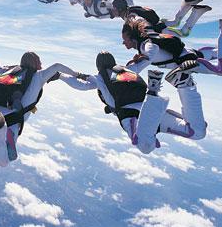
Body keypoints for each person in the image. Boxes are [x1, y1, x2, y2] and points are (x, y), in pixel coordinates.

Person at [59, 51, 208, 153]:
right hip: (148, 110)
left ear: (98, 66)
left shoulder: (99, 78)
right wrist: (142, 55)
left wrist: (60, 76)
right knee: (197, 132)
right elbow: (148, 59)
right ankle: (184, 85)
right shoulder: (128, 69)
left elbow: (80, 85)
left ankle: (153, 95)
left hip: (131, 115)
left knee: (145, 146)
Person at [0, 51, 85, 166]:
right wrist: (78, 74)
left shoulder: (10, 71)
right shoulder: (40, 75)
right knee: (4, 161)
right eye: (39, 61)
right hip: (12, 120)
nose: (41, 64)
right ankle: (0, 133)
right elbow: (57, 66)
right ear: (36, 63)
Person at [121, 15, 222, 76]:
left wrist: (129, 72)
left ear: (132, 38)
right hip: (190, 53)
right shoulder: (148, 40)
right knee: (220, 53)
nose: (123, 43)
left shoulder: (145, 45)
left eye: (125, 39)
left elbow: (152, 51)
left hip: (189, 61)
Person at [111, 0, 211, 37]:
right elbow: (130, 2)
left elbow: (138, 20)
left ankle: (196, 12)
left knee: (184, 33)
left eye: (114, 8)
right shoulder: (130, 8)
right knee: (176, 21)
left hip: (159, 29)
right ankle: (186, 4)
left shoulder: (129, 15)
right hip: (158, 21)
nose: (112, 10)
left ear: (119, 9)